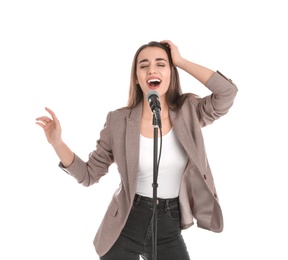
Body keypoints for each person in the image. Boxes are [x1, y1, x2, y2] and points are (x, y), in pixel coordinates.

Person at [36, 40, 238, 260]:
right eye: (144, 65)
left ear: (171, 72)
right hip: (124, 226)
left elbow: (226, 93)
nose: (152, 69)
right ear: (136, 77)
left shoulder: (188, 110)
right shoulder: (118, 121)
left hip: (168, 226)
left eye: (161, 64)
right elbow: (88, 175)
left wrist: (180, 61)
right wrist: (57, 142)